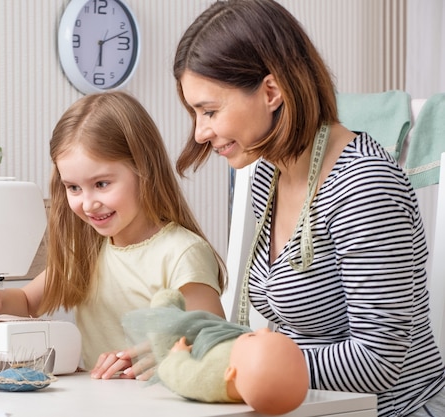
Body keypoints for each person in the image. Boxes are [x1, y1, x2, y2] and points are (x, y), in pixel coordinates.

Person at [172, 1, 445, 416]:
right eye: (195, 113)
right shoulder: (270, 175)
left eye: (209, 111)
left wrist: (241, 361)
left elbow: (378, 362)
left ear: (271, 91)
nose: (201, 132)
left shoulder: (365, 187)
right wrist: (178, 350)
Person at [0, 91, 226, 379]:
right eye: (74, 188)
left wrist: (162, 356)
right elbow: (29, 303)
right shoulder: (88, 248)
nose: (87, 203)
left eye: (101, 184)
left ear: (144, 169)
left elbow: (215, 345)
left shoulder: (181, 254)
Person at [122, 289, 309, 415]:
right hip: (214, 340)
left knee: (165, 334)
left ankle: (163, 306)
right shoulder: (250, 376)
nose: (263, 330)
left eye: (254, 337)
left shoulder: (208, 380)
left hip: (180, 354)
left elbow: (181, 374)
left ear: (230, 372)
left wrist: (178, 355)